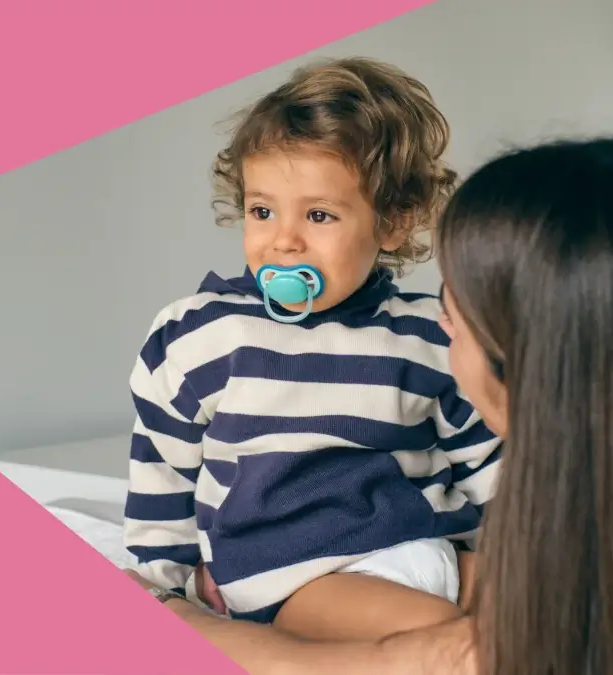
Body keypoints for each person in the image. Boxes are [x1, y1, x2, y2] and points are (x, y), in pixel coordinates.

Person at [126, 135, 613, 675]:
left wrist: (192, 628)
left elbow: (458, 656)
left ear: (545, 373)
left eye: (456, 317)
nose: (438, 325)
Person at [121, 56, 502, 641]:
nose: (284, 239)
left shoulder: (429, 332)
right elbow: (162, 468)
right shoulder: (202, 335)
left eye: (319, 214)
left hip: (429, 550)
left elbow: (484, 462)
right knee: (442, 639)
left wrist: (506, 556)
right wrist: (169, 585)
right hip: (297, 574)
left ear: (393, 223)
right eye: (262, 210)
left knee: (557, 612)